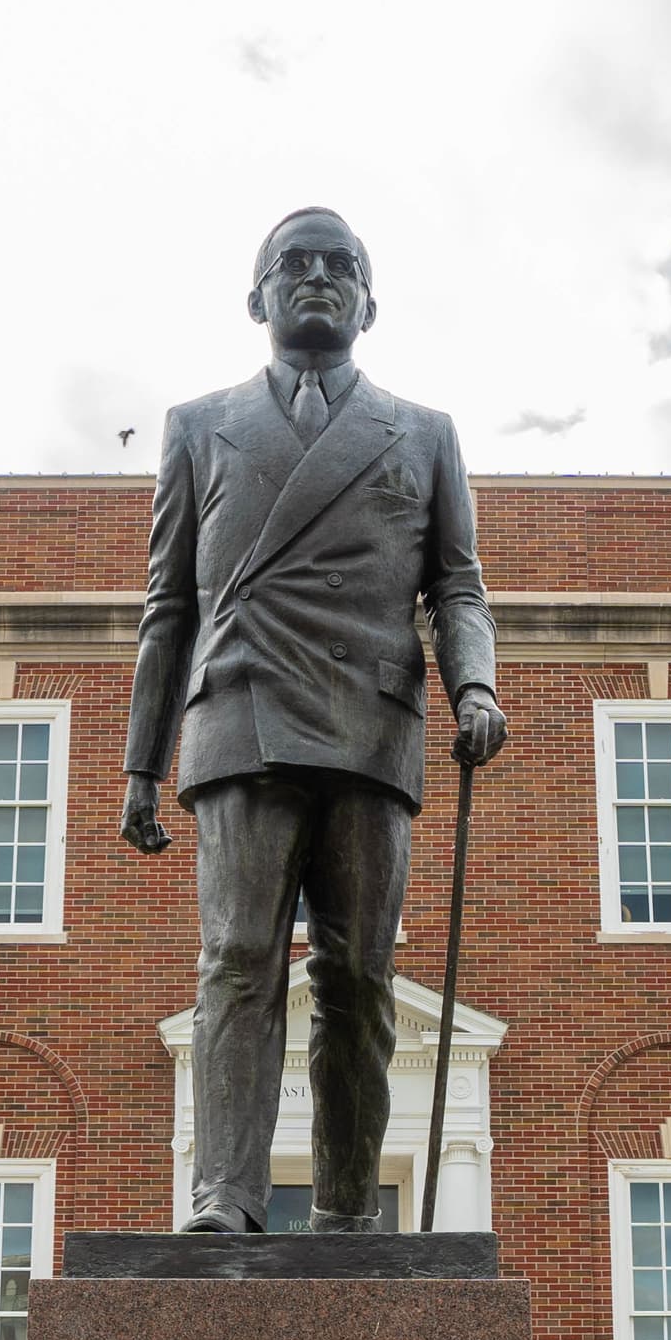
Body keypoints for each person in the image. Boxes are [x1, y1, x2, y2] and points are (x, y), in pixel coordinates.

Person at [119, 207, 505, 1233]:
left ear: (370, 303)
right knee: (238, 958)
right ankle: (226, 1196)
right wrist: (139, 766)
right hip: (242, 706)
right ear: (258, 297)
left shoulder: (424, 434)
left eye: (343, 266)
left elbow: (457, 588)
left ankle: (345, 1211)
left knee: (358, 977)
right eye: (296, 262)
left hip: (371, 725)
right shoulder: (198, 427)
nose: (319, 277)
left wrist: (475, 686)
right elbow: (169, 607)